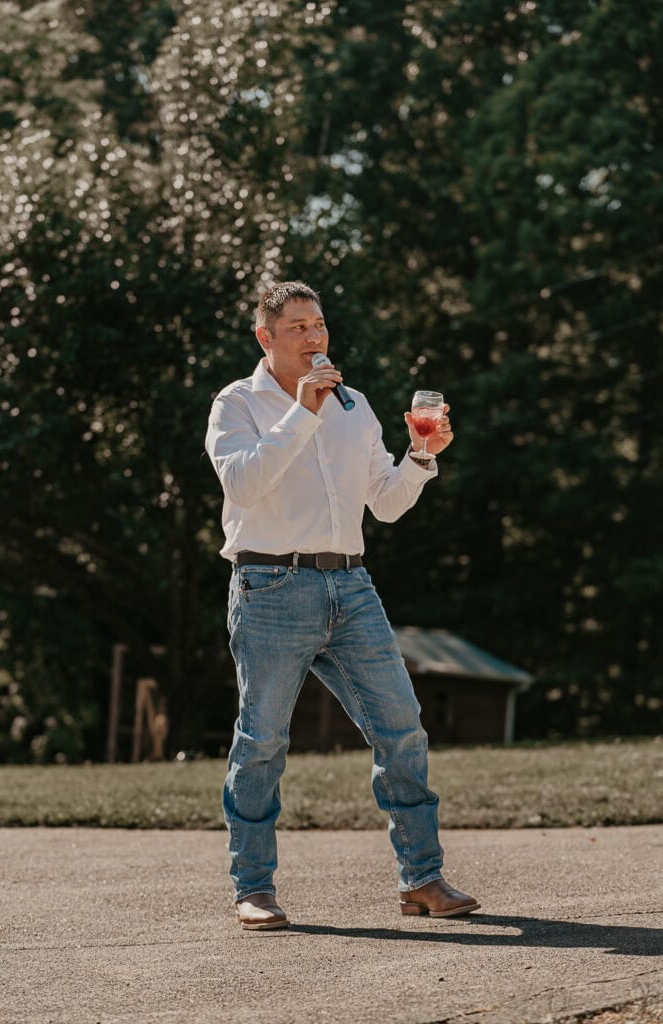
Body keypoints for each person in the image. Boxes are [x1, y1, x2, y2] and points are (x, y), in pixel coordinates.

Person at [205, 281, 480, 930]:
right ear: (265, 339)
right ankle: (253, 887)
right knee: (263, 740)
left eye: (319, 324)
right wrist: (300, 412)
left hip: (351, 588)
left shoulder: (353, 407)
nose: (313, 336)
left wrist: (418, 459)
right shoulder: (237, 403)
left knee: (402, 728)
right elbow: (242, 485)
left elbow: (383, 501)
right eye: (296, 326)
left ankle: (421, 879)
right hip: (270, 587)